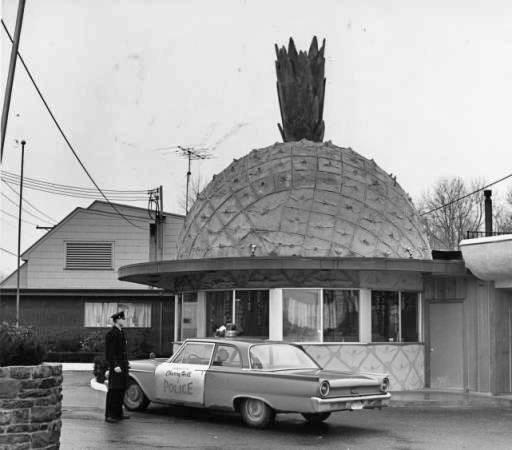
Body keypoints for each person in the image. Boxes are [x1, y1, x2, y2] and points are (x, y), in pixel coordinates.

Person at [105, 311, 130, 423]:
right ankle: (110, 415)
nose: (124, 321)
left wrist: (125, 364)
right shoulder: (112, 333)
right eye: (123, 319)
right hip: (116, 367)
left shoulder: (121, 332)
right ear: (117, 320)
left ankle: (118, 413)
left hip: (123, 365)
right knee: (113, 390)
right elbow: (110, 352)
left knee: (121, 389)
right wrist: (114, 365)